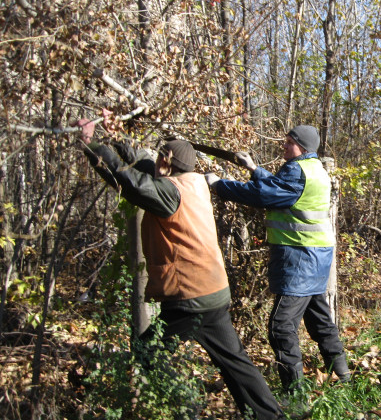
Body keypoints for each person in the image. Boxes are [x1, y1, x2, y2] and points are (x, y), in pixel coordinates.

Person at [74, 114, 285, 420]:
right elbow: (143, 167)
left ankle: (188, 408)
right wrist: (116, 135)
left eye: (160, 156)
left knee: (147, 353)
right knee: (235, 362)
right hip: (212, 291)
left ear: (168, 161)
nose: (155, 160)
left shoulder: (169, 193)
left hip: (190, 298)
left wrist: (91, 144)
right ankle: (271, 416)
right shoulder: (193, 182)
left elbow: (129, 182)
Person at [204, 125, 350, 393]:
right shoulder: (314, 169)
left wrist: (219, 185)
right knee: (320, 321)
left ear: (302, 147)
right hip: (317, 259)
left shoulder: (296, 171)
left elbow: (263, 195)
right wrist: (253, 168)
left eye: (289, 142)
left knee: (280, 327)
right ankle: (342, 377)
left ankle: (295, 395)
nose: (283, 146)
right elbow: (280, 187)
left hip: (299, 258)